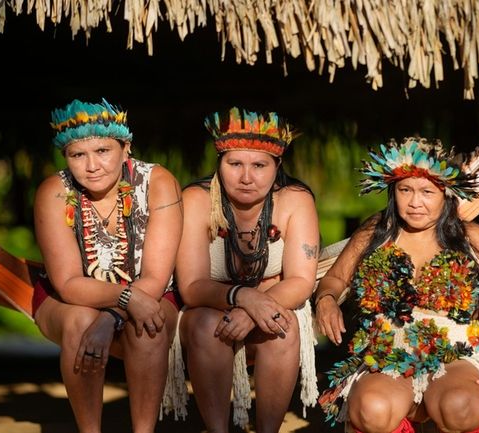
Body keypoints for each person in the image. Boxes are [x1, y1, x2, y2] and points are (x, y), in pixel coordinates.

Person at [314, 138, 479, 433]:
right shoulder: (375, 233)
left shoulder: (473, 239)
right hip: (388, 352)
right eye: (406, 190)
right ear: (393, 191)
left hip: (457, 353)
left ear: (446, 193)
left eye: (427, 191)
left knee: (461, 407)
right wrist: (326, 298)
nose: (415, 202)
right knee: (370, 410)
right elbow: (335, 278)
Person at [31, 98, 183, 433]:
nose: (92, 166)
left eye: (103, 151)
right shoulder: (54, 192)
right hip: (69, 299)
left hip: (151, 292)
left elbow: (156, 279)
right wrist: (123, 302)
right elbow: (68, 282)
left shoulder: (158, 183)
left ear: (125, 147)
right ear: (65, 157)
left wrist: (112, 315)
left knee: (149, 326)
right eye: (77, 155)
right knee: (79, 322)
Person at [174, 107, 320, 433]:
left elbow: (301, 280)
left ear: (277, 165)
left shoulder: (295, 200)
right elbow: (192, 286)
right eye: (235, 164)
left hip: (269, 307)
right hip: (209, 311)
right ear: (219, 162)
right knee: (205, 324)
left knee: (283, 327)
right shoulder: (196, 200)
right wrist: (244, 298)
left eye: (259, 165)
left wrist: (255, 310)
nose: (246, 177)